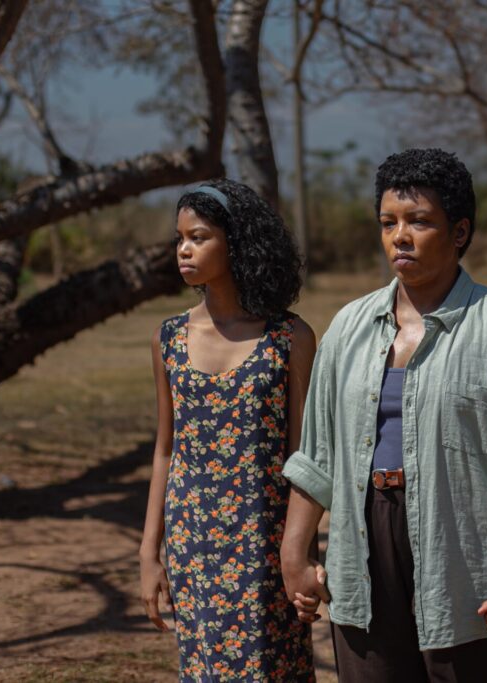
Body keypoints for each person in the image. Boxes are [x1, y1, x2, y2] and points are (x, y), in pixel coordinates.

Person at [280, 148, 487, 682]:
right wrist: (294, 551)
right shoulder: (349, 327)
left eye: (419, 221)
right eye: (388, 222)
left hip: (469, 562)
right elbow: (316, 455)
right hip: (364, 551)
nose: (400, 237)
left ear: (460, 232)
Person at [138, 179, 316, 681]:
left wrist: (302, 554)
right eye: (180, 239)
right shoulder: (168, 338)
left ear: (236, 242)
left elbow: (305, 457)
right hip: (192, 541)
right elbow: (165, 450)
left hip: (267, 540)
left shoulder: (289, 337)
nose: (184, 249)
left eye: (198, 237)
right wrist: (149, 552)